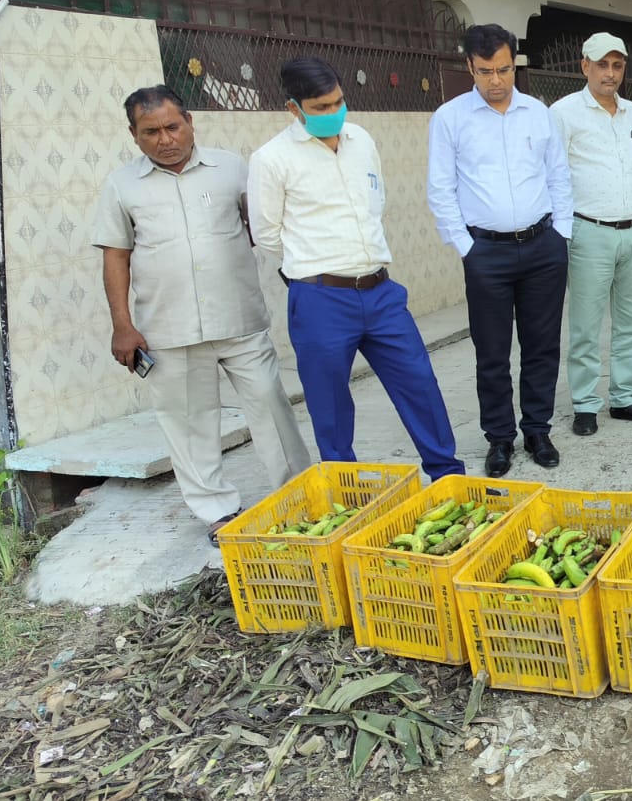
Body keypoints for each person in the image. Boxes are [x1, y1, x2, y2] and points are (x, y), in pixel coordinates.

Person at [92, 87, 312, 543]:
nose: (165, 139)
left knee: (272, 407)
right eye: (151, 131)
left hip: (239, 319)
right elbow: (116, 256)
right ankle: (218, 513)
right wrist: (122, 326)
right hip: (167, 329)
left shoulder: (231, 168)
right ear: (134, 135)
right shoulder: (121, 185)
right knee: (189, 424)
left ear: (190, 122)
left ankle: (297, 501)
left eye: (173, 126)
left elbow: (263, 229)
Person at [247, 58, 465, 479]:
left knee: (419, 383)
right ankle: (344, 487)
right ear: (294, 108)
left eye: (338, 102)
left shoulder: (361, 139)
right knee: (329, 402)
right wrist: (316, 263)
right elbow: (268, 233)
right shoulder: (271, 159)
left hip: (381, 291)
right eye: (321, 107)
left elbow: (375, 202)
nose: (334, 112)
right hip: (320, 297)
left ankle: (447, 474)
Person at [427, 24, 573, 478]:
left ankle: (537, 430)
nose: (496, 80)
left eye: (505, 69)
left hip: (543, 247)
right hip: (485, 253)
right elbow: (440, 189)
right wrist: (466, 247)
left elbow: (558, 176)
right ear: (469, 67)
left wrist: (561, 234)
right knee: (491, 352)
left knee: (542, 346)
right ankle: (499, 439)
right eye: (486, 71)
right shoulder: (450, 118)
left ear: (515, 65)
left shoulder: (537, 113)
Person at [550, 32, 632, 437]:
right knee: (585, 325)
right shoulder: (564, 113)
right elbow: (554, 177)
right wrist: (561, 234)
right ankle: (584, 404)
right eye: (602, 65)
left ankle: (625, 398)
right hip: (589, 232)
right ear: (585, 66)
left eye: (617, 66)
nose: (610, 73)